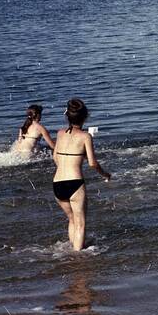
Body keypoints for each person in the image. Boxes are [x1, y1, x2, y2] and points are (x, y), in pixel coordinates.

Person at [52, 98, 110, 251]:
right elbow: (92, 163)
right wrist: (105, 174)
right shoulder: (85, 136)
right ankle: (78, 259)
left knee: (71, 219)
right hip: (75, 183)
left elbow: (55, 158)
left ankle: (73, 250)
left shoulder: (59, 133)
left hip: (57, 183)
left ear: (67, 116)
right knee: (81, 223)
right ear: (84, 117)